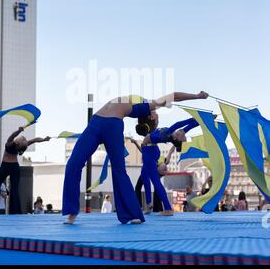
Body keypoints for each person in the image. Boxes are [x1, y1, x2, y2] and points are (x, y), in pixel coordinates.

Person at [62, 91, 209, 225]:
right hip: (95, 122)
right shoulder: (144, 103)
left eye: (156, 119)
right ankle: (72, 210)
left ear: (151, 117)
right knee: (73, 164)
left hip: (113, 126)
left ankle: (132, 214)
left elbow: (174, 96)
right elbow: (174, 98)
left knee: (119, 170)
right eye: (158, 118)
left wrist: (197, 97)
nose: (158, 115)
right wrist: (197, 97)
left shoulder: (148, 106)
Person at [139, 117, 200, 216]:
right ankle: (149, 204)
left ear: (176, 138)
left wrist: (192, 118)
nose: (181, 132)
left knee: (155, 181)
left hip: (149, 151)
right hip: (152, 149)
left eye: (181, 135)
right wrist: (201, 119)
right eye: (182, 133)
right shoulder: (177, 134)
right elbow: (191, 126)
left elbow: (178, 123)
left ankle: (168, 208)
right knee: (144, 175)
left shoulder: (168, 133)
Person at [0, 127, 51, 215]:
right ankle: (17, 211)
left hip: (6, 165)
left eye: (23, 139)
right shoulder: (21, 145)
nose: (24, 138)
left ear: (17, 142)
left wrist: (19, 130)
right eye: (24, 138)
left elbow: (12, 135)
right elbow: (35, 140)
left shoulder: (9, 144)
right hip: (15, 167)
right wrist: (44, 139)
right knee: (14, 190)